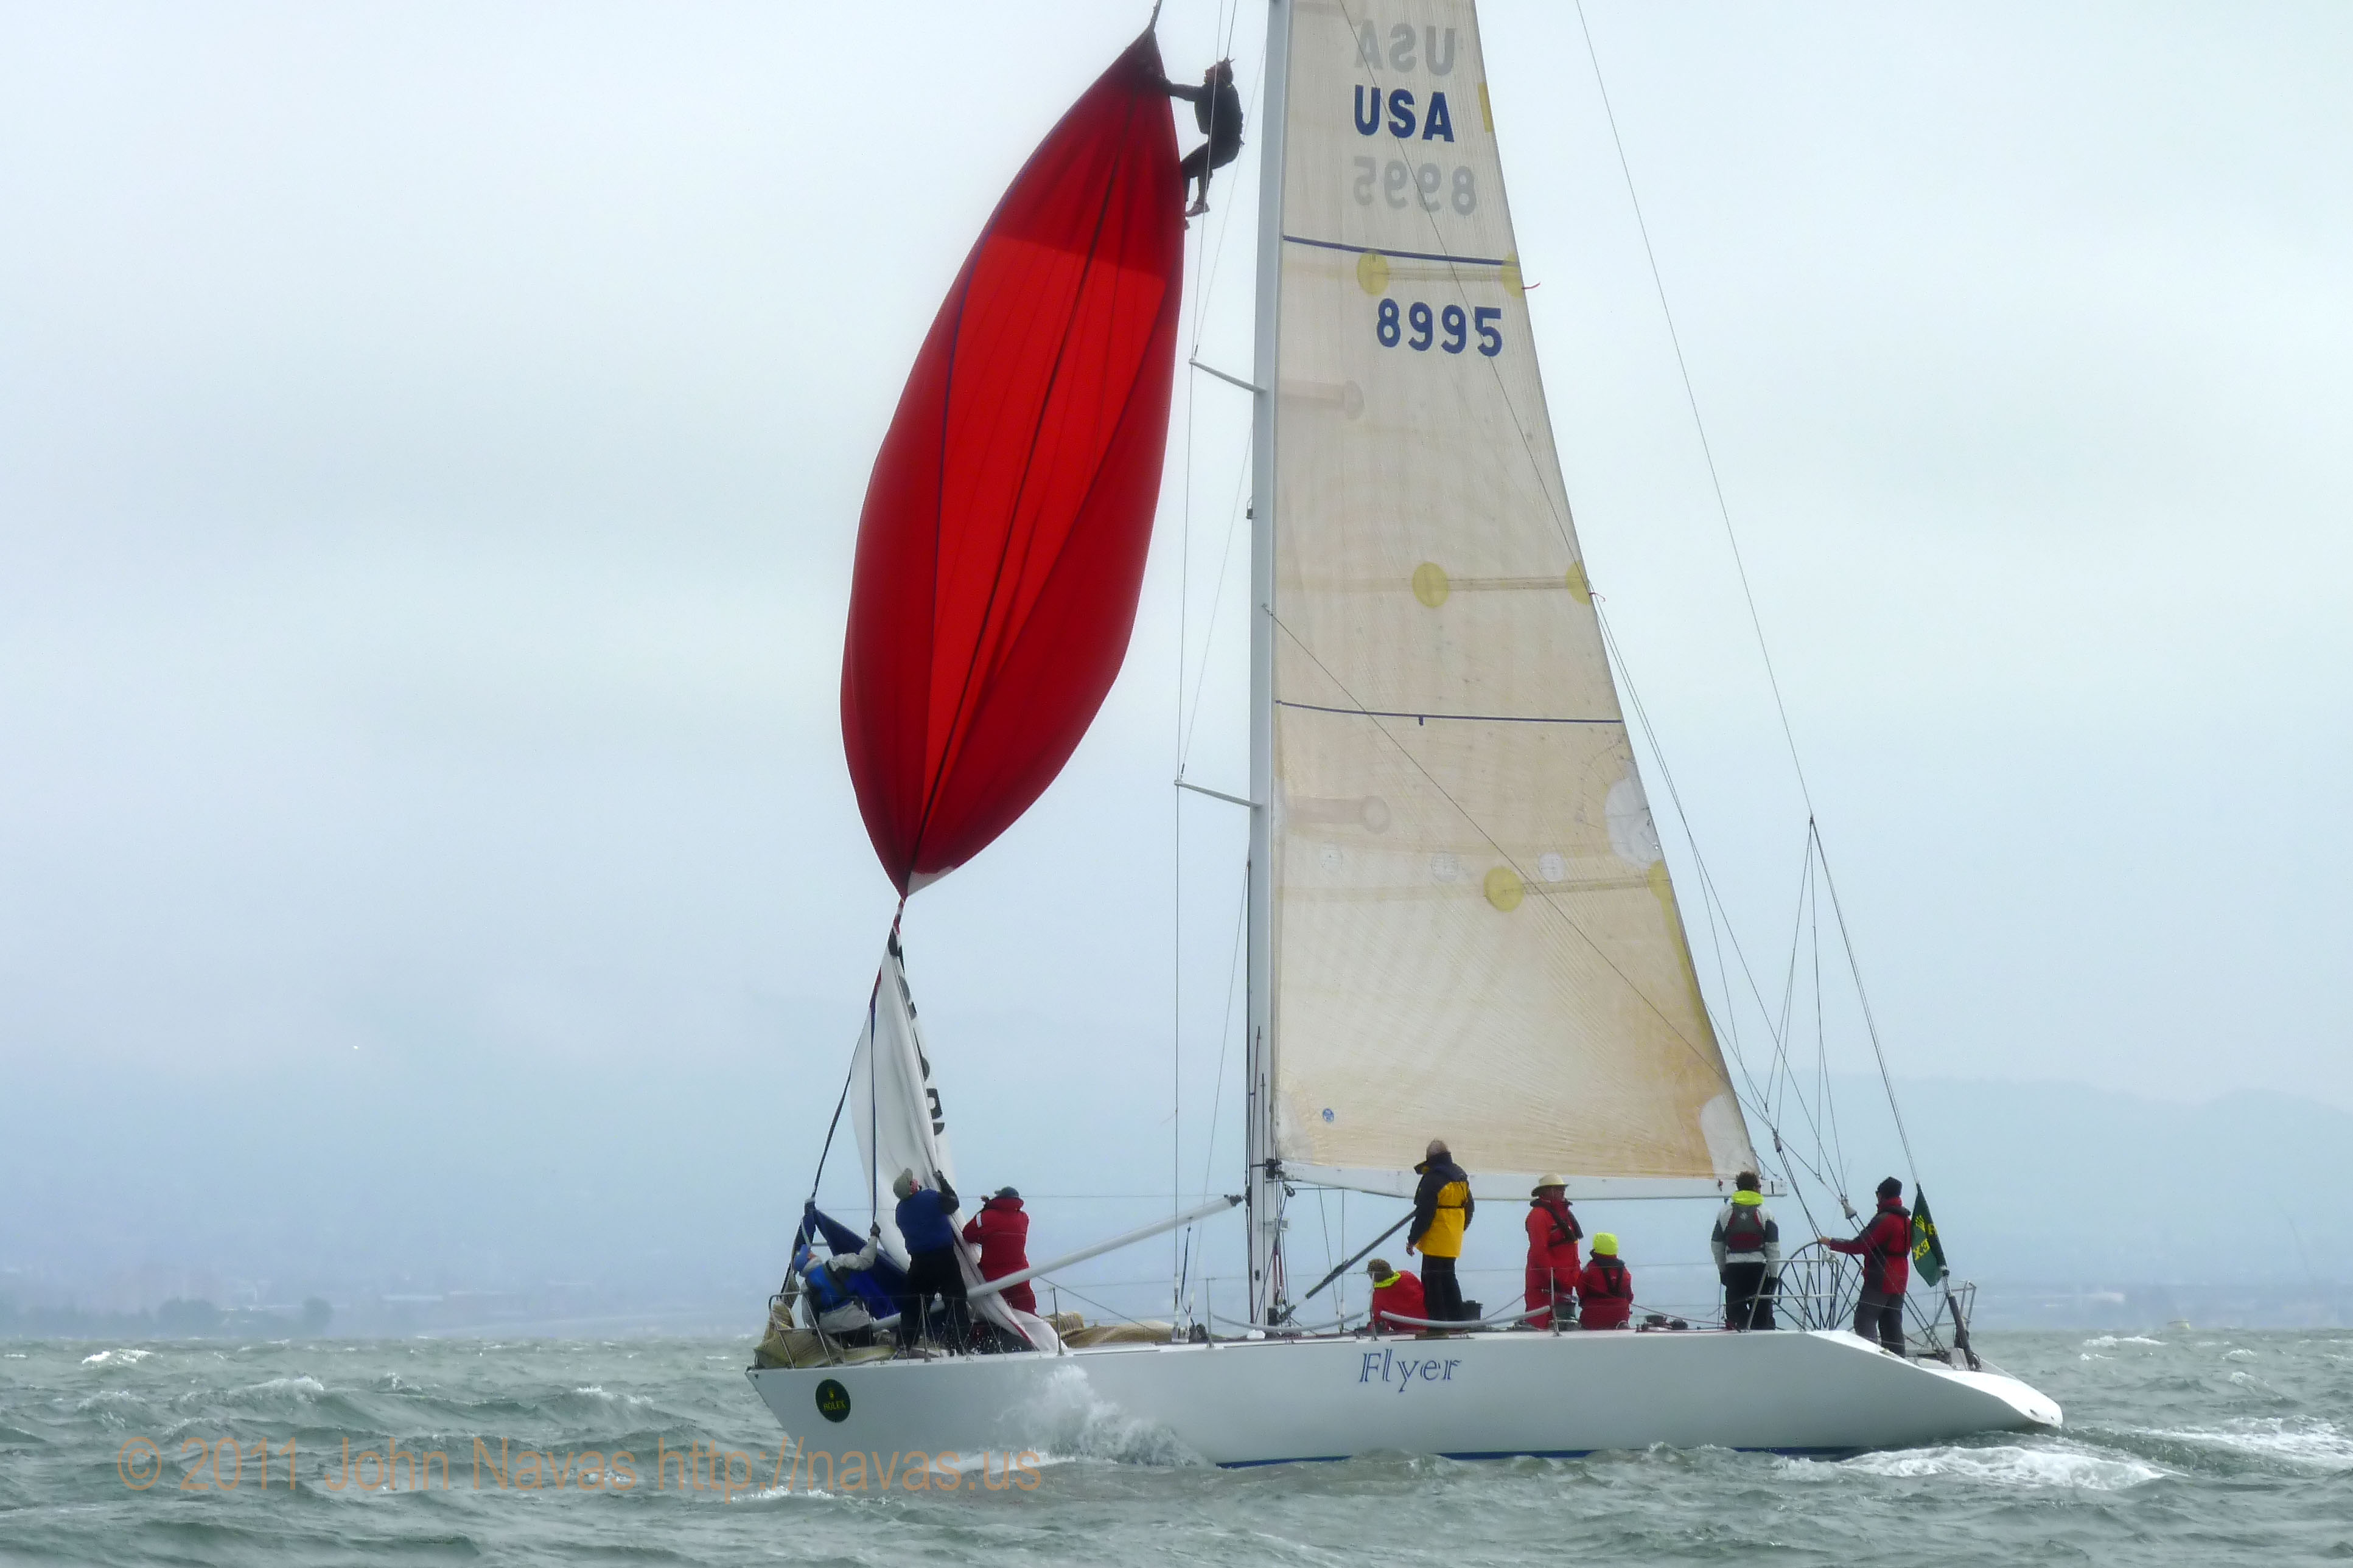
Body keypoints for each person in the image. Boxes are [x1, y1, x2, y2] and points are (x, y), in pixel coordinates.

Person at [1820, 1176, 1911, 1355]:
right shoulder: (1907, 1221)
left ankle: (1871, 1357)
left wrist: (1831, 1243)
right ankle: (1899, 1360)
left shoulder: (1885, 1219)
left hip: (1882, 1276)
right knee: (1892, 1322)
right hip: (1901, 1276)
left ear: (1881, 1195)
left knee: (1865, 1318)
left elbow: (1859, 1245)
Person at [893, 1167, 971, 1348]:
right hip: (944, 1258)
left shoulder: (900, 1211)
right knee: (955, 1300)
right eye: (912, 1181)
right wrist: (942, 1181)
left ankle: (905, 1346)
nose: (915, 1181)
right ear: (912, 1188)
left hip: (919, 1263)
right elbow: (953, 1204)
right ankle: (960, 1345)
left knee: (914, 1307)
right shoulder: (929, 1197)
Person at [1159, 59, 1243, 217]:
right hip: (1224, 147)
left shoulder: (1219, 91)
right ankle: (1201, 202)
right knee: (1203, 162)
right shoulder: (1223, 91)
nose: (1206, 71)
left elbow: (1190, 93)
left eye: (1212, 69)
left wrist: (1165, 86)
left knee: (1184, 170)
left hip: (1224, 148)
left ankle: (1179, 214)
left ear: (1219, 77)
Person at [1407, 1138, 1475, 1323]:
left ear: (1430, 1157)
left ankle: (1437, 1326)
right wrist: (1459, 1230)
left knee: (1432, 1284)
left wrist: (1413, 1239)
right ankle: (1458, 1322)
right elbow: (1470, 1208)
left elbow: (1425, 1213)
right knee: (1449, 1279)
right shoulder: (1460, 1176)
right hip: (1453, 1238)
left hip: (1435, 1239)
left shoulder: (1433, 1178)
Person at [1711, 1171, 1782, 1331]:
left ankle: (1740, 1331)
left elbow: (1717, 1244)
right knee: (1762, 1317)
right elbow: (1773, 1247)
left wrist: (1722, 1270)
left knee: (1735, 1315)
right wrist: (1773, 1275)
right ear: (1754, 1188)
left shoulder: (1725, 1212)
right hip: (1758, 1269)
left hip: (1734, 1269)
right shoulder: (1765, 1213)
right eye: (1759, 1186)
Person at [794, 1226, 887, 1345]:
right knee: (868, 1351)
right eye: (810, 1252)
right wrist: (874, 1236)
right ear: (809, 1257)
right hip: (856, 1323)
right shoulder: (836, 1263)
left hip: (831, 1333)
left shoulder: (806, 1288)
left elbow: (809, 1318)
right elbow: (866, 1260)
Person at [960, 1186, 1036, 1314]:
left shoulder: (984, 1216)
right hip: (1021, 1274)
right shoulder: (1024, 1218)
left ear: (999, 1198)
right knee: (1028, 1312)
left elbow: (968, 1234)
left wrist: (987, 1208)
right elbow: (1006, 1232)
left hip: (993, 1275)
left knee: (999, 1314)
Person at [1523, 1174, 1582, 1329]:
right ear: (1546, 1192)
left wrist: (1576, 1277)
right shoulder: (1538, 1216)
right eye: (1558, 1189)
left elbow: (1573, 1248)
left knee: (1564, 1325)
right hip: (1544, 1286)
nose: (1562, 1192)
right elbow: (1539, 1252)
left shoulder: (1565, 1215)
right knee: (1540, 1324)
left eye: (1562, 1188)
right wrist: (1552, 1278)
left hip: (1564, 1285)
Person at [1577, 1233, 1634, 1329]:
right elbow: (1630, 1296)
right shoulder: (1624, 1271)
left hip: (1593, 1317)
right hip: (1620, 1317)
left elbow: (1580, 1290)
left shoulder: (1590, 1269)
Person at [1366, 1258, 1427, 1332]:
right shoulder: (1408, 1276)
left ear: (1372, 1277)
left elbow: (1381, 1323)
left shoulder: (1378, 1296)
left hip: (1407, 1332)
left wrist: (1369, 1327)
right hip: (1431, 1324)